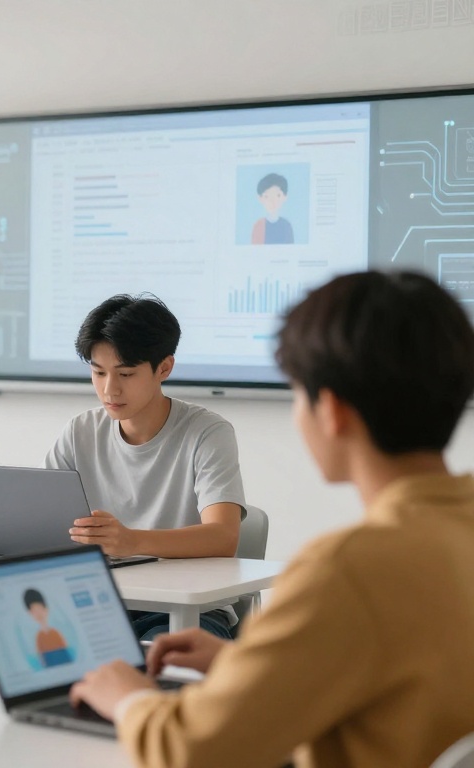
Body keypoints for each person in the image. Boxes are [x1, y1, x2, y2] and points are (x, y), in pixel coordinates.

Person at [70, 271, 474, 768]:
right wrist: (246, 668)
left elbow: (189, 751)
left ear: (332, 411)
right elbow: (397, 675)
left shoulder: (346, 570)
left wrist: (126, 695)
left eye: (297, 394)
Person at [0, 295, 245, 639]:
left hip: (186, 611)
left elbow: (223, 537)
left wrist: (131, 541)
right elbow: (38, 518)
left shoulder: (207, 433)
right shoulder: (81, 431)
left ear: (164, 368)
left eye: (126, 373)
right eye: (98, 372)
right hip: (96, 603)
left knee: (158, 667)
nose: (110, 389)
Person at [23, 588, 73, 667]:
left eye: (39, 609)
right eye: (34, 611)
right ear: (30, 614)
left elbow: (67, 655)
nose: (38, 613)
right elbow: (42, 660)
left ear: (46, 609)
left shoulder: (55, 633)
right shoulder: (39, 637)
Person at [250, 172, 294, 245]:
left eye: (278, 195)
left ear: (285, 197)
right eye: (267, 196)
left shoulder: (286, 226)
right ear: (260, 198)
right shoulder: (259, 226)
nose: (272, 201)